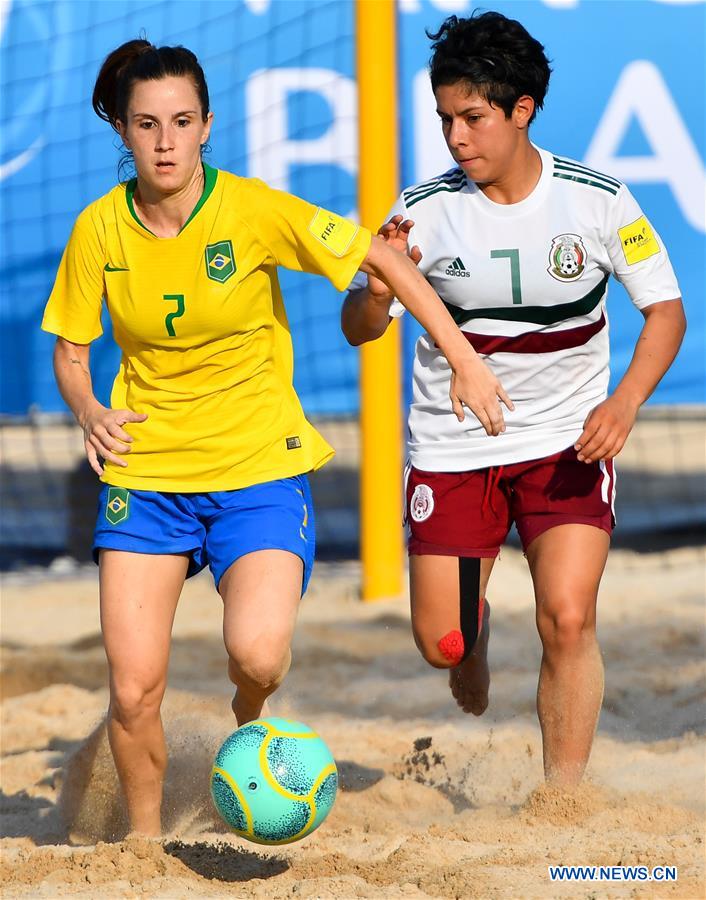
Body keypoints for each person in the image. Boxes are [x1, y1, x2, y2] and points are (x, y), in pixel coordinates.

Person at [41, 39, 510, 837]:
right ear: (121, 131)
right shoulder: (98, 233)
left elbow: (380, 257)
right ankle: (146, 846)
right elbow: (72, 350)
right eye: (147, 124)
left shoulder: (252, 209)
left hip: (257, 469)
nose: (165, 141)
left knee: (256, 655)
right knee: (132, 690)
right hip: (146, 474)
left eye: (182, 122)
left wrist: (463, 357)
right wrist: (88, 409)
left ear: (207, 126)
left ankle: (249, 717)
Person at [343, 11, 685, 788]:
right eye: (444, 120)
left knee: (568, 618)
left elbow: (665, 311)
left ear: (521, 109)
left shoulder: (598, 201)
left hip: (566, 440)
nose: (456, 137)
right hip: (454, 446)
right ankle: (474, 630)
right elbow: (361, 330)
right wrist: (375, 285)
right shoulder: (421, 208)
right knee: (444, 644)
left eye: (472, 117)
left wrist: (625, 403)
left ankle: (562, 797)